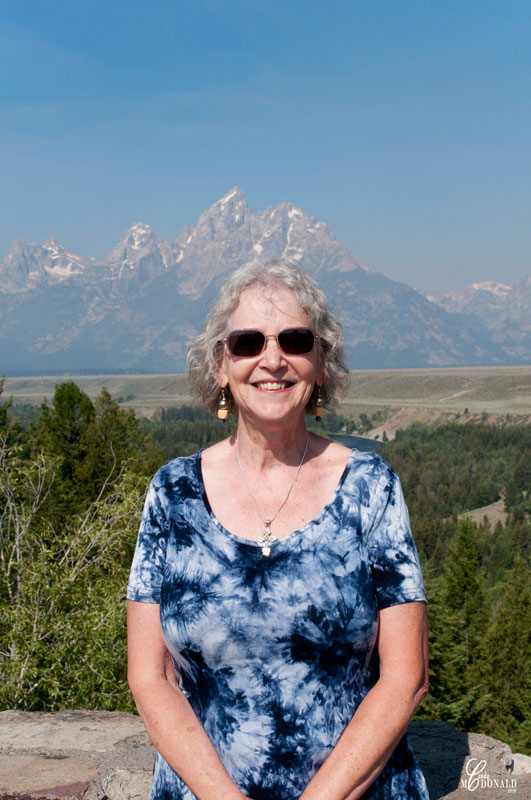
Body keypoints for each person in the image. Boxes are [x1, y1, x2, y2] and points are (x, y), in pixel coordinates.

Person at [127, 258, 429, 800]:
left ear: (319, 363)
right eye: (247, 343)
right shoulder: (172, 495)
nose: (272, 360)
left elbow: (407, 677)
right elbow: (149, 677)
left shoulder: (370, 488)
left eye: (294, 340)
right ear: (220, 365)